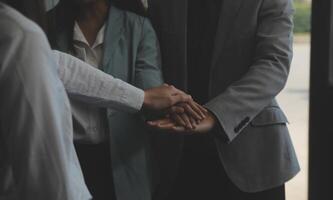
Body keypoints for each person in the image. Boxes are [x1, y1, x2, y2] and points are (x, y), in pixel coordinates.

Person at [0, 0, 200, 199]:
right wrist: (150, 99)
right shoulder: (45, 25)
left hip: (122, 162)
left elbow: (153, 92)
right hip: (73, 153)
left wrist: (174, 106)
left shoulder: (136, 26)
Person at [148, 0, 300, 200]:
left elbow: (274, 64)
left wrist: (216, 115)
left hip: (251, 154)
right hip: (176, 149)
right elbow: (149, 57)